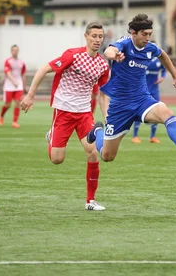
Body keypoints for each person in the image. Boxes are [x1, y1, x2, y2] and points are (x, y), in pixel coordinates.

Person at [87, 14, 176, 168]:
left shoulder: (150, 48)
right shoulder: (124, 43)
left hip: (142, 100)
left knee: (167, 113)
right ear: (133, 33)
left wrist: (175, 75)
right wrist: (115, 56)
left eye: (150, 34)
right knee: (107, 156)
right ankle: (98, 132)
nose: (148, 38)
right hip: (120, 106)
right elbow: (109, 51)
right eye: (144, 34)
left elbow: (162, 54)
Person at [21, 22, 110, 211]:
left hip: (84, 113)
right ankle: (52, 135)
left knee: (92, 152)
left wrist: (107, 116)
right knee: (57, 159)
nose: (97, 40)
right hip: (63, 112)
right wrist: (30, 95)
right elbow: (44, 69)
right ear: (85, 37)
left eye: (100, 37)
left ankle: (90, 201)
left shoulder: (102, 64)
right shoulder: (73, 55)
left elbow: (102, 93)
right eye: (93, 36)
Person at [131, 48, 166, 144]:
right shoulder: (143, 60)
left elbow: (164, 70)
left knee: (157, 111)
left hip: (154, 90)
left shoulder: (158, 61)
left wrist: (162, 77)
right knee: (138, 111)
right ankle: (135, 136)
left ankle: (153, 136)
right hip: (142, 90)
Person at [0, 45, 26, 128]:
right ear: (11, 51)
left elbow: (23, 74)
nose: (15, 51)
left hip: (19, 85)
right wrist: (13, 81)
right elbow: (8, 73)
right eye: (14, 50)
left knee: (18, 102)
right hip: (9, 85)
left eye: (17, 50)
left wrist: (24, 86)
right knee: (8, 104)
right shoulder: (8, 61)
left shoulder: (22, 62)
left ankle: (14, 122)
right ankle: (1, 116)